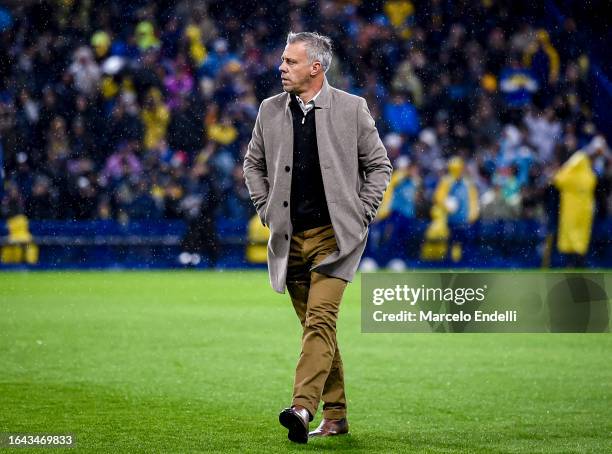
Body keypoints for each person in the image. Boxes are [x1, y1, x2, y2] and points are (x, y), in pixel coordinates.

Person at [243, 31, 391, 444]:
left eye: (290, 62)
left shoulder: (352, 108)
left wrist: (362, 212)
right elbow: (252, 164)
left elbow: (379, 166)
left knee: (320, 321)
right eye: (283, 61)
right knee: (317, 328)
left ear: (316, 67)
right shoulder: (269, 111)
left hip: (335, 239)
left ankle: (302, 408)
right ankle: (337, 414)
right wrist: (265, 208)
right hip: (289, 239)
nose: (281, 68)